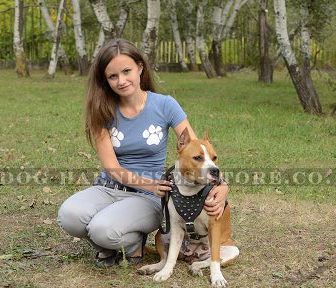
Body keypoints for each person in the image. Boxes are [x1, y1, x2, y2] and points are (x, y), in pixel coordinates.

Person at [57, 38, 233, 268]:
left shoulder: (165, 105)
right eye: (113, 76)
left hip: (148, 197)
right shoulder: (102, 110)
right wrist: (148, 183)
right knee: (68, 216)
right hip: (108, 187)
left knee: (101, 229)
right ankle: (110, 243)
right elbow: (113, 168)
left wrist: (222, 184)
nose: (121, 81)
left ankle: (131, 244)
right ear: (105, 80)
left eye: (127, 71)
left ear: (140, 67)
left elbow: (197, 151)